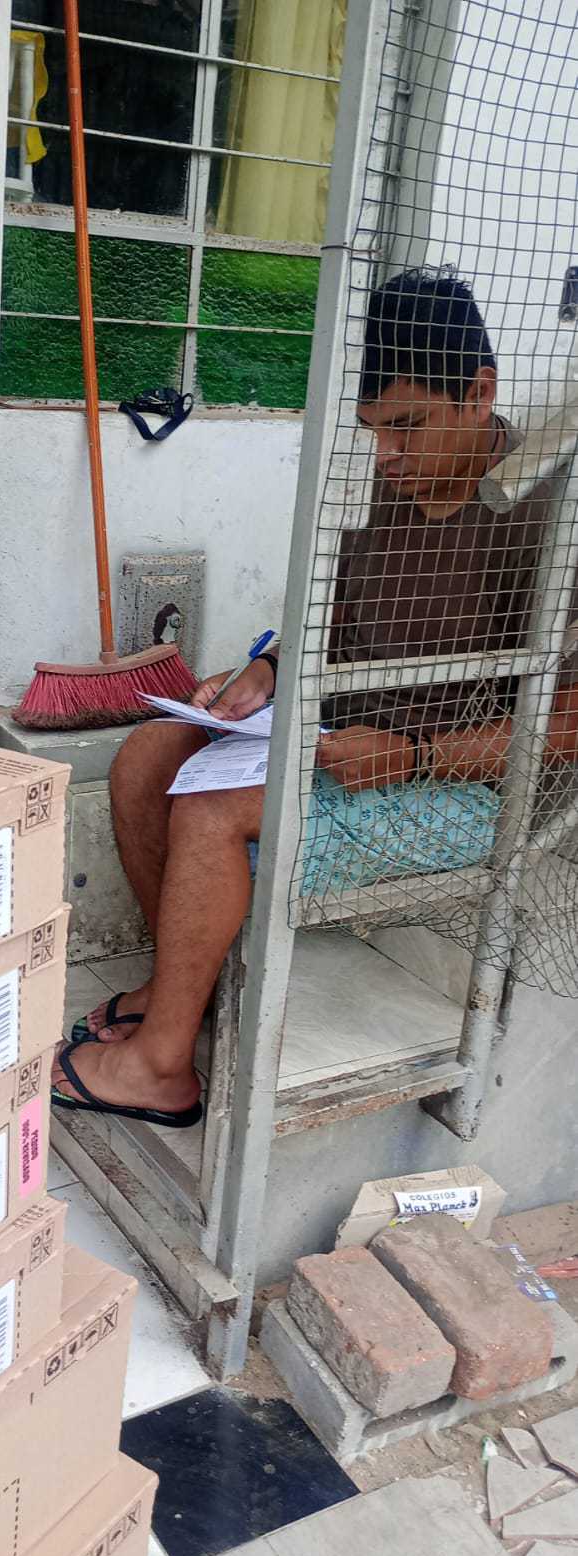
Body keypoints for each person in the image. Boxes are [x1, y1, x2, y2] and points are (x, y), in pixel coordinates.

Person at [52, 269, 578, 1126]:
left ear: (479, 393)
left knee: (213, 810)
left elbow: (569, 725)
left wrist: (416, 755)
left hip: (463, 787)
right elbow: (326, 625)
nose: (388, 455)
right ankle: (183, 991)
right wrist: (264, 670)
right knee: (146, 754)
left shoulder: (550, 521)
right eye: (374, 430)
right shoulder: (386, 487)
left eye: (408, 425)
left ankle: (158, 1068)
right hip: (342, 735)